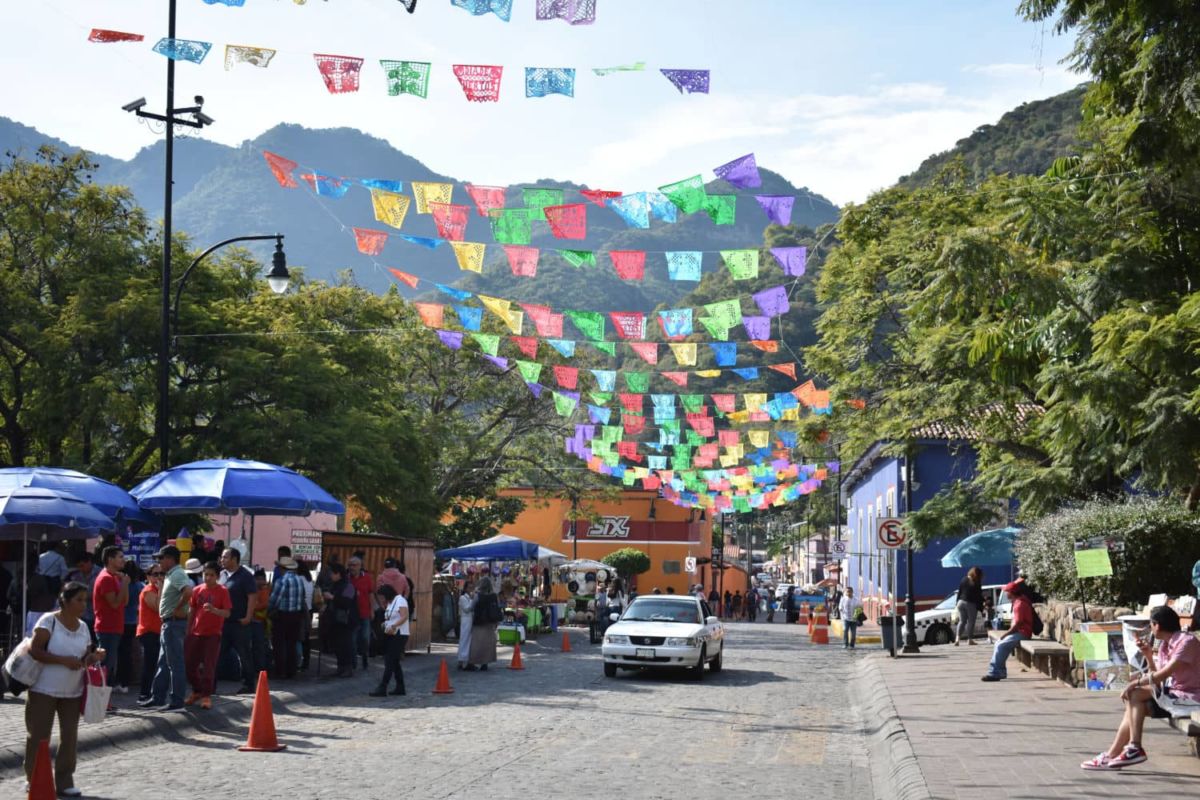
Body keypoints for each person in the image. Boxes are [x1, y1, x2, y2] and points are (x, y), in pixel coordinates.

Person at [1082, 605, 1200, 770]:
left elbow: (1162, 675)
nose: (1151, 629)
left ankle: (1134, 747)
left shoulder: (1187, 642)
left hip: (1192, 699)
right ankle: (1112, 754)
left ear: (1157, 625)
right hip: (1177, 696)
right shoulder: (1166, 645)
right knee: (1134, 704)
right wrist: (1148, 655)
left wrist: (1134, 683)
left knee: (1135, 694)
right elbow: (1156, 679)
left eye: (1151, 625)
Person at [23, 582, 106, 797]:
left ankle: (64, 780)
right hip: (43, 689)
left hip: (73, 691)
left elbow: (84, 659)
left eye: (85, 600)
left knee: (69, 736)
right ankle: (33, 779)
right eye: (79, 599)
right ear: (65, 601)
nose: (83, 604)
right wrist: (62, 661)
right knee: (39, 736)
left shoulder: (83, 627)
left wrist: (94, 657)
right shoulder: (48, 621)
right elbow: (35, 651)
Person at [139, 545, 192, 711]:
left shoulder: (177, 574)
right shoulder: (171, 575)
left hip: (173, 623)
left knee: (175, 663)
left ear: (170, 558)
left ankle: (177, 701)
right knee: (163, 663)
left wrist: (177, 608)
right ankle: (158, 697)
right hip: (169, 623)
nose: (159, 562)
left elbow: (188, 591)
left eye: (161, 558)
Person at [185, 561, 230, 709]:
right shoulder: (197, 590)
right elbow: (192, 611)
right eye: (206, 574)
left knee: (209, 666)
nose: (208, 577)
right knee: (189, 665)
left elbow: (227, 613)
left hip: (213, 634)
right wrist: (188, 630)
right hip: (196, 633)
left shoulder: (223, 591)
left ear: (217, 576)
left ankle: (206, 696)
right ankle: (197, 690)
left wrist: (214, 610)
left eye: (211, 575)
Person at [218, 547, 258, 693]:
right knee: (217, 654)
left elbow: (252, 597)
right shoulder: (222, 575)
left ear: (234, 559)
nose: (222, 560)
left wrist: (248, 616)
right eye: (222, 557)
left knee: (244, 654)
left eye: (225, 557)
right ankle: (211, 685)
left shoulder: (245, 576)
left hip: (239, 622)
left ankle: (249, 684)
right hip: (223, 622)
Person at [91, 545, 129, 695]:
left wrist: (124, 583)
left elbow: (124, 602)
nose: (123, 560)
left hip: (115, 627)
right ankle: (100, 697)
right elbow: (114, 603)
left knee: (110, 664)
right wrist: (125, 583)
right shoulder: (106, 578)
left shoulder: (114, 577)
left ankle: (104, 697)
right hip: (106, 627)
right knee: (106, 664)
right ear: (110, 559)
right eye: (120, 557)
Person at [981, 579, 1033, 682]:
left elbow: (1018, 624)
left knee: (1001, 645)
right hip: (1019, 632)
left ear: (1011, 593)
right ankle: (999, 671)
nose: (1005, 593)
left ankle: (995, 673)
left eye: (1006, 591)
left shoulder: (1019, 604)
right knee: (998, 644)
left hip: (1023, 633)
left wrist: (1006, 634)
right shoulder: (1017, 602)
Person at [268, 556, 306, 680]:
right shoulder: (300, 580)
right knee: (291, 644)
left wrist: (269, 610)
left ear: (281, 568)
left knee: (279, 644)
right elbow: (302, 598)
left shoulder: (281, 581)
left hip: (282, 616)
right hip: (296, 615)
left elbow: (275, 600)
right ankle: (291, 670)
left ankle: (280, 670)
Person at [370, 585, 408, 697]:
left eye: (382, 597)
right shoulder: (390, 603)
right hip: (391, 634)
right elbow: (392, 617)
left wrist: (394, 626)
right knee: (394, 661)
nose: (381, 599)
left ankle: (383, 686)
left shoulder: (400, 600)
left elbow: (404, 616)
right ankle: (400, 687)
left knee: (390, 660)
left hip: (399, 633)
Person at [323, 563, 358, 678]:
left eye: (332, 573)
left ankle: (348, 668)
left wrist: (332, 597)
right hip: (335, 619)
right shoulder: (335, 585)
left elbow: (346, 602)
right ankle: (340, 667)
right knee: (337, 645)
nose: (330, 576)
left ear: (338, 574)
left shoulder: (348, 586)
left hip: (345, 620)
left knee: (345, 644)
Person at [115, 560, 144, 694]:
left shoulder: (121, 584)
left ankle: (120, 680)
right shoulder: (140, 586)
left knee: (120, 653)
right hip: (134, 621)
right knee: (129, 652)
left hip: (121, 621)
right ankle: (127, 680)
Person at [135, 566, 162, 703]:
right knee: (150, 664)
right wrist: (162, 588)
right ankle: (144, 695)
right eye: (155, 574)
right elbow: (158, 607)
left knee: (156, 664)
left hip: (158, 631)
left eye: (161, 574)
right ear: (148, 576)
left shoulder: (158, 589)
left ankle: (153, 693)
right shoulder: (148, 590)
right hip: (148, 632)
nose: (158, 577)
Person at [347, 556, 376, 670]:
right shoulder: (347, 578)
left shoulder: (367, 578)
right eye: (350, 565)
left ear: (360, 566)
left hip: (365, 613)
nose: (352, 567)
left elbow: (370, 594)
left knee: (365, 638)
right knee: (352, 639)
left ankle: (364, 657)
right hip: (352, 615)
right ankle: (353, 662)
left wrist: (372, 609)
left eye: (354, 565)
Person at [467, 576, 500, 671]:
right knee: (488, 644)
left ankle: (473, 661)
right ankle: (485, 663)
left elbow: (471, 607)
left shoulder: (478, 596)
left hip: (479, 622)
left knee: (476, 643)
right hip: (490, 622)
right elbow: (496, 609)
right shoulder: (494, 596)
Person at [67, 553, 101, 640]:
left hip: (96, 614)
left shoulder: (100, 573)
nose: (81, 569)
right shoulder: (76, 575)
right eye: (79, 566)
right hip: (81, 615)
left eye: (82, 565)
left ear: (89, 562)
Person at [955, 567, 985, 646]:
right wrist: (983, 602)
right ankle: (969, 640)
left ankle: (957, 639)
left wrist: (956, 602)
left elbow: (960, 591)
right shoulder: (976, 582)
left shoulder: (963, 579)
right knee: (971, 622)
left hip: (960, 602)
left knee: (962, 621)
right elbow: (978, 595)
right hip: (970, 604)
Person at [250, 569, 270, 677]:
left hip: (260, 622)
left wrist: (252, 607)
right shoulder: (254, 590)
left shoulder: (265, 590)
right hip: (253, 621)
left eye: (262, 579)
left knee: (260, 646)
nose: (260, 581)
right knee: (255, 646)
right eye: (257, 579)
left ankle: (260, 669)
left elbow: (264, 604)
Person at [457, 579, 475, 670]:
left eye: (472, 587)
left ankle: (464, 659)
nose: (470, 589)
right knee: (464, 639)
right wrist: (473, 601)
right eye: (469, 587)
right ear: (465, 588)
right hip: (465, 620)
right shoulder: (463, 598)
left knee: (468, 640)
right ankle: (463, 660)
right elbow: (467, 609)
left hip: (470, 620)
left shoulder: (469, 597)